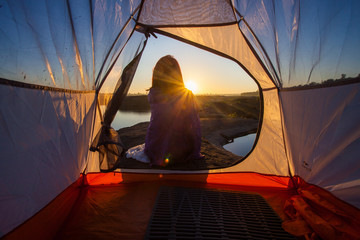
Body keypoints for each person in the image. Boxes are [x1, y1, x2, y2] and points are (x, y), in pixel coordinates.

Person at [143, 55, 203, 167]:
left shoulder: (153, 94)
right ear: (177, 74)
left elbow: (156, 124)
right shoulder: (187, 94)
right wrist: (195, 149)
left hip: (156, 148)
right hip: (182, 151)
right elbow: (195, 127)